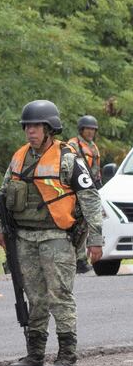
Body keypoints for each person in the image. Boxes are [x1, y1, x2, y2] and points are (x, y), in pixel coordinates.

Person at [0, 100, 103, 366]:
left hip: (56, 236)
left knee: (59, 296)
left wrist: (95, 238)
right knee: (35, 297)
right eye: (27, 126)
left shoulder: (68, 158)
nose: (31, 131)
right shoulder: (19, 157)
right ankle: (35, 355)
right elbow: (2, 194)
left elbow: (90, 198)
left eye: (37, 126)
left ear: (50, 128)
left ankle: (67, 357)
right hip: (24, 237)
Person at [68, 115, 102, 275]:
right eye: (87, 129)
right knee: (77, 225)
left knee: (86, 224)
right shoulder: (73, 144)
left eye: (93, 129)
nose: (90, 132)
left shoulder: (93, 147)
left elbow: (96, 169)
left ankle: (79, 259)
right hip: (75, 191)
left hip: (89, 190)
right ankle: (78, 259)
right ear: (81, 129)